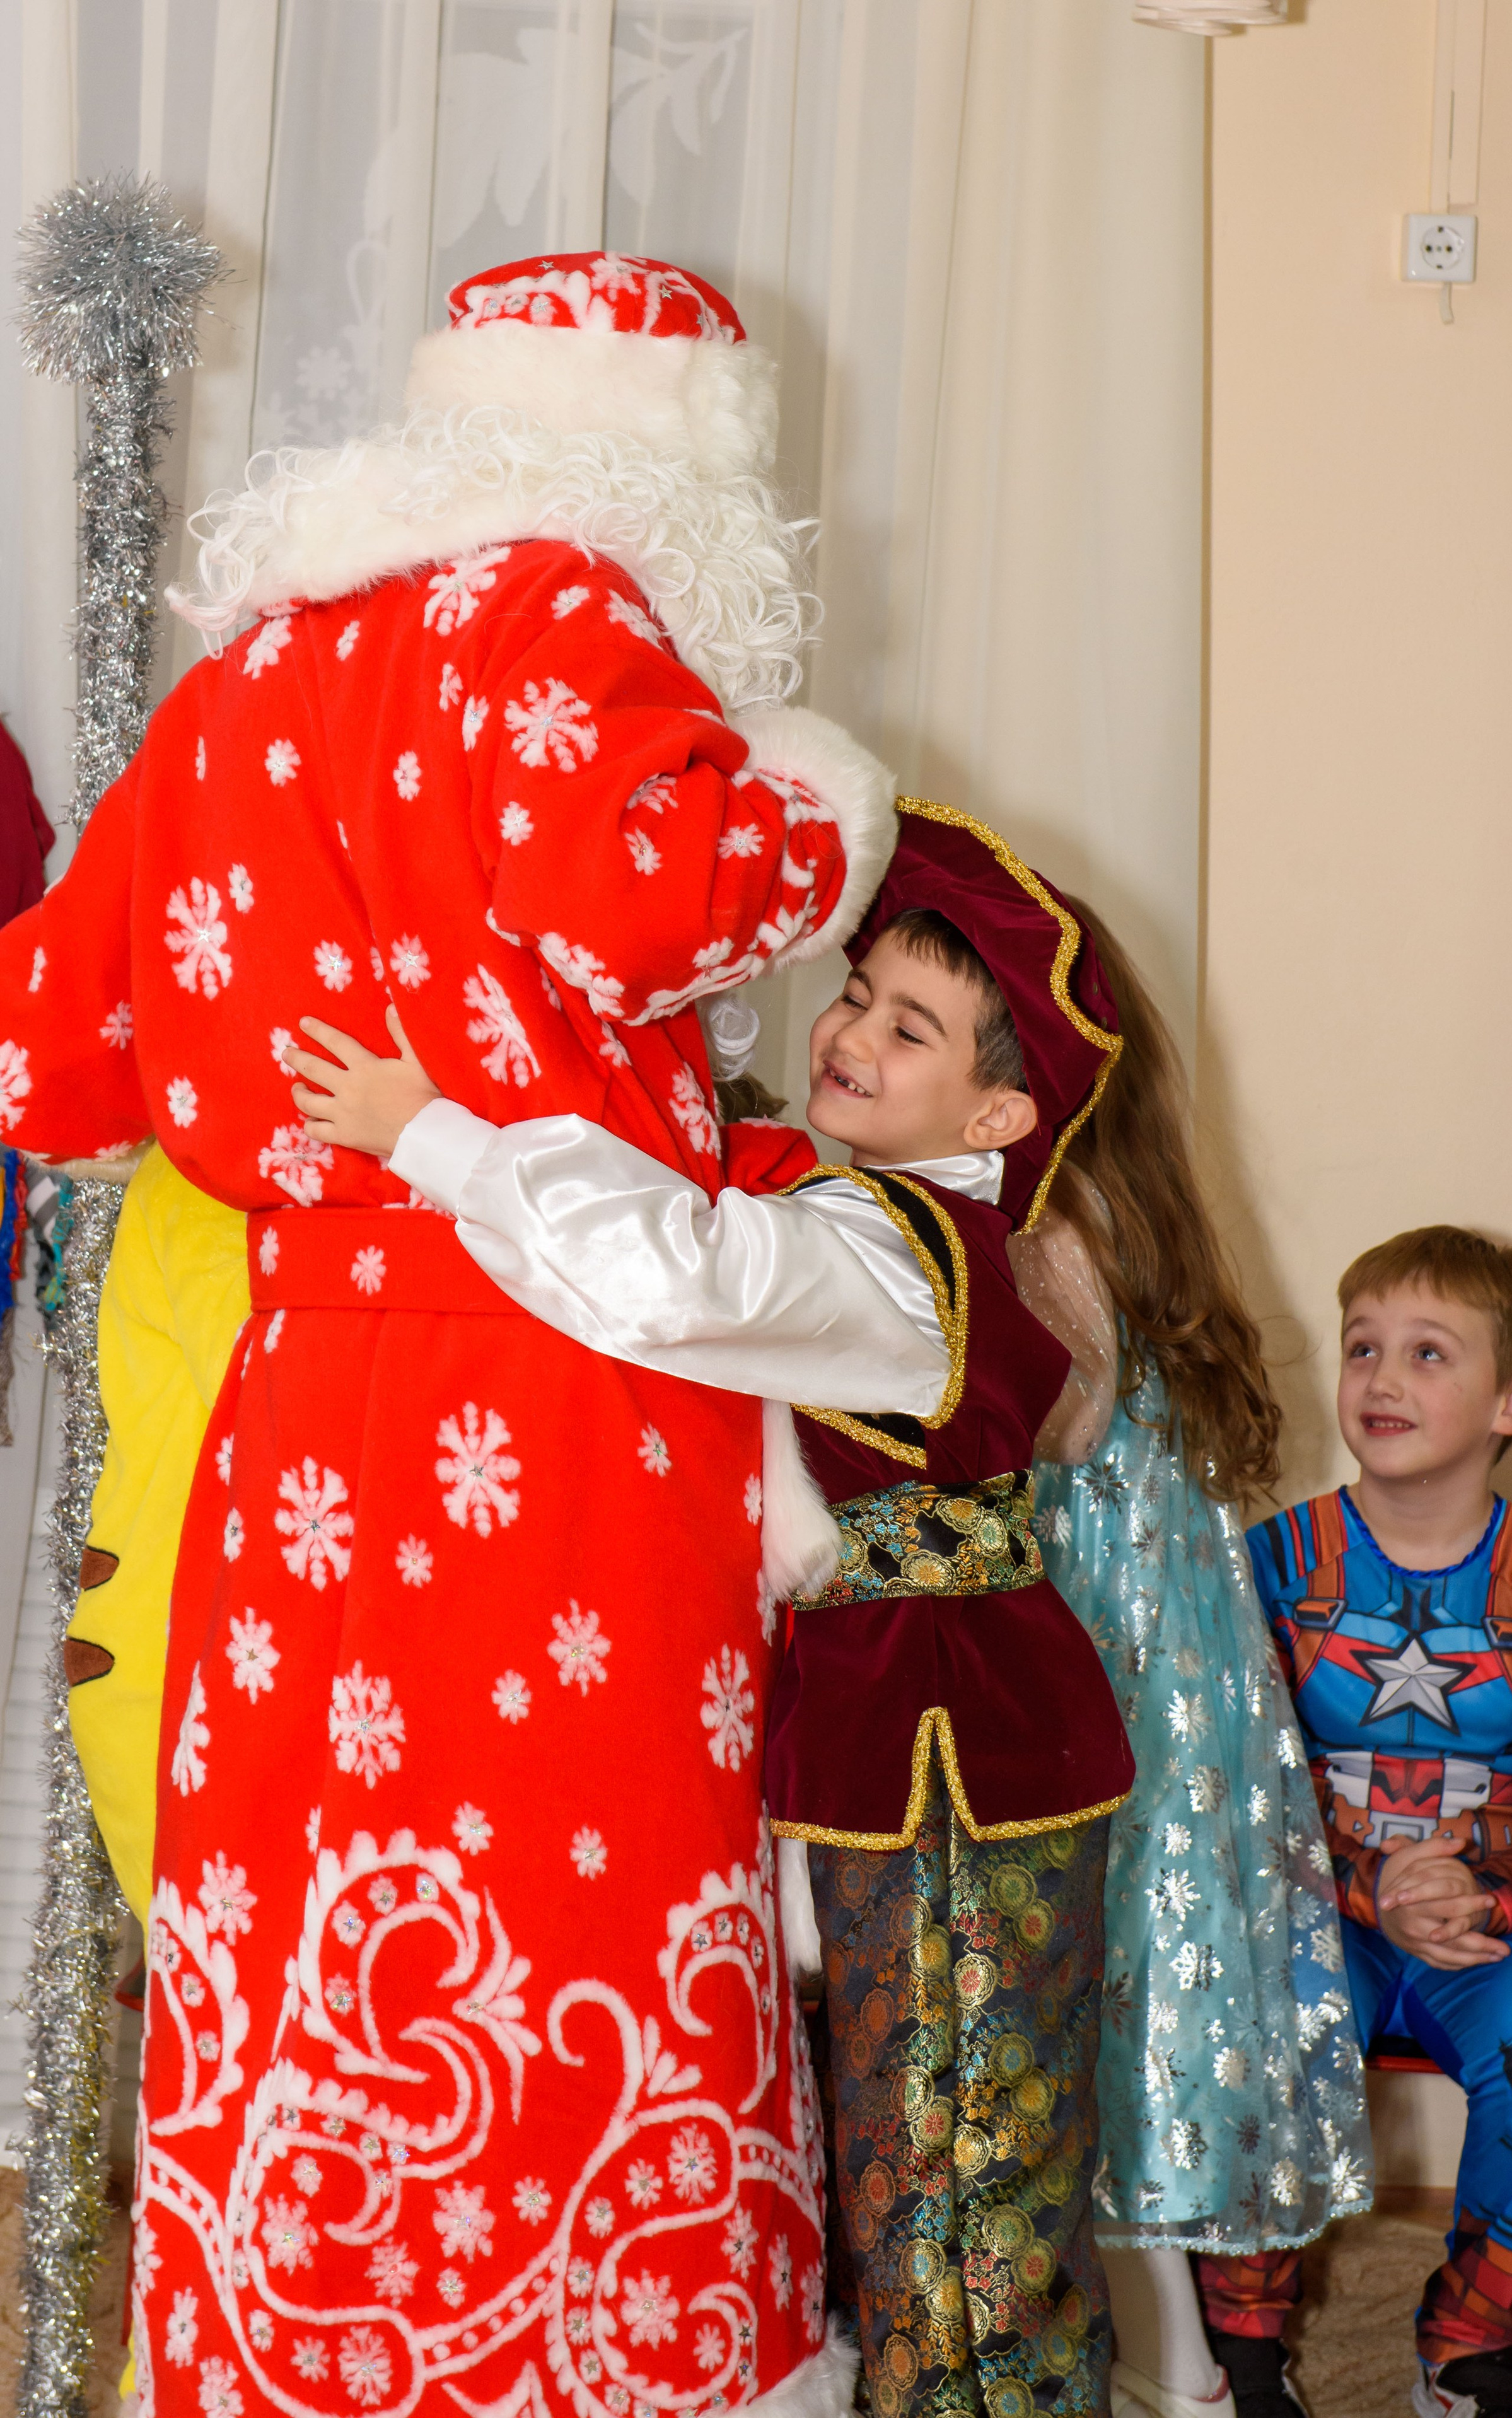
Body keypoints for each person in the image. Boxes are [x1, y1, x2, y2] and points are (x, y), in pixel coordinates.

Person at [0, 250, 898, 2415]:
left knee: (302, 1882)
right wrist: (820, 805)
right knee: (578, 1860)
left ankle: (295, 2345)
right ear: (675, 459)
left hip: (307, 1391)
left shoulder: (254, 678)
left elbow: (58, 1054)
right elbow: (653, 893)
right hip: (557, 1371)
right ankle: (590, 2352)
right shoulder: (561, 614)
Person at [286, 798, 1138, 2418]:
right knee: (912, 2155)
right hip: (926, 1721)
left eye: (912, 1025)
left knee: (955, 2179)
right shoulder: (907, 1222)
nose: (853, 1036)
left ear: (1003, 1100)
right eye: (857, 992)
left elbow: (680, 1278)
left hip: (950, 1746)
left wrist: (434, 1133)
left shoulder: (882, 1256)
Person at [1020, 908, 1371, 2418]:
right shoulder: (1119, 1207)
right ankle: (1194, 2358)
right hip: (1164, 1667)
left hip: (1101, 1666)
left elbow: (1039, 1436)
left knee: (1108, 1997)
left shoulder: (1047, 1231)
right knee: (1145, 2002)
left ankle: (1179, 2368)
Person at [1238, 1227, 1512, 2418]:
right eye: (1363, 1348)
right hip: (1311, 1909)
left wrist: (1491, 1899)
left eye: (1428, 1353)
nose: (1383, 1378)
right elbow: (1227, 1788)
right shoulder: (1263, 1569)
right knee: (1243, 2006)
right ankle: (1242, 2332)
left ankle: (1473, 2340)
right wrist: (1370, 1888)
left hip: (1487, 1925)